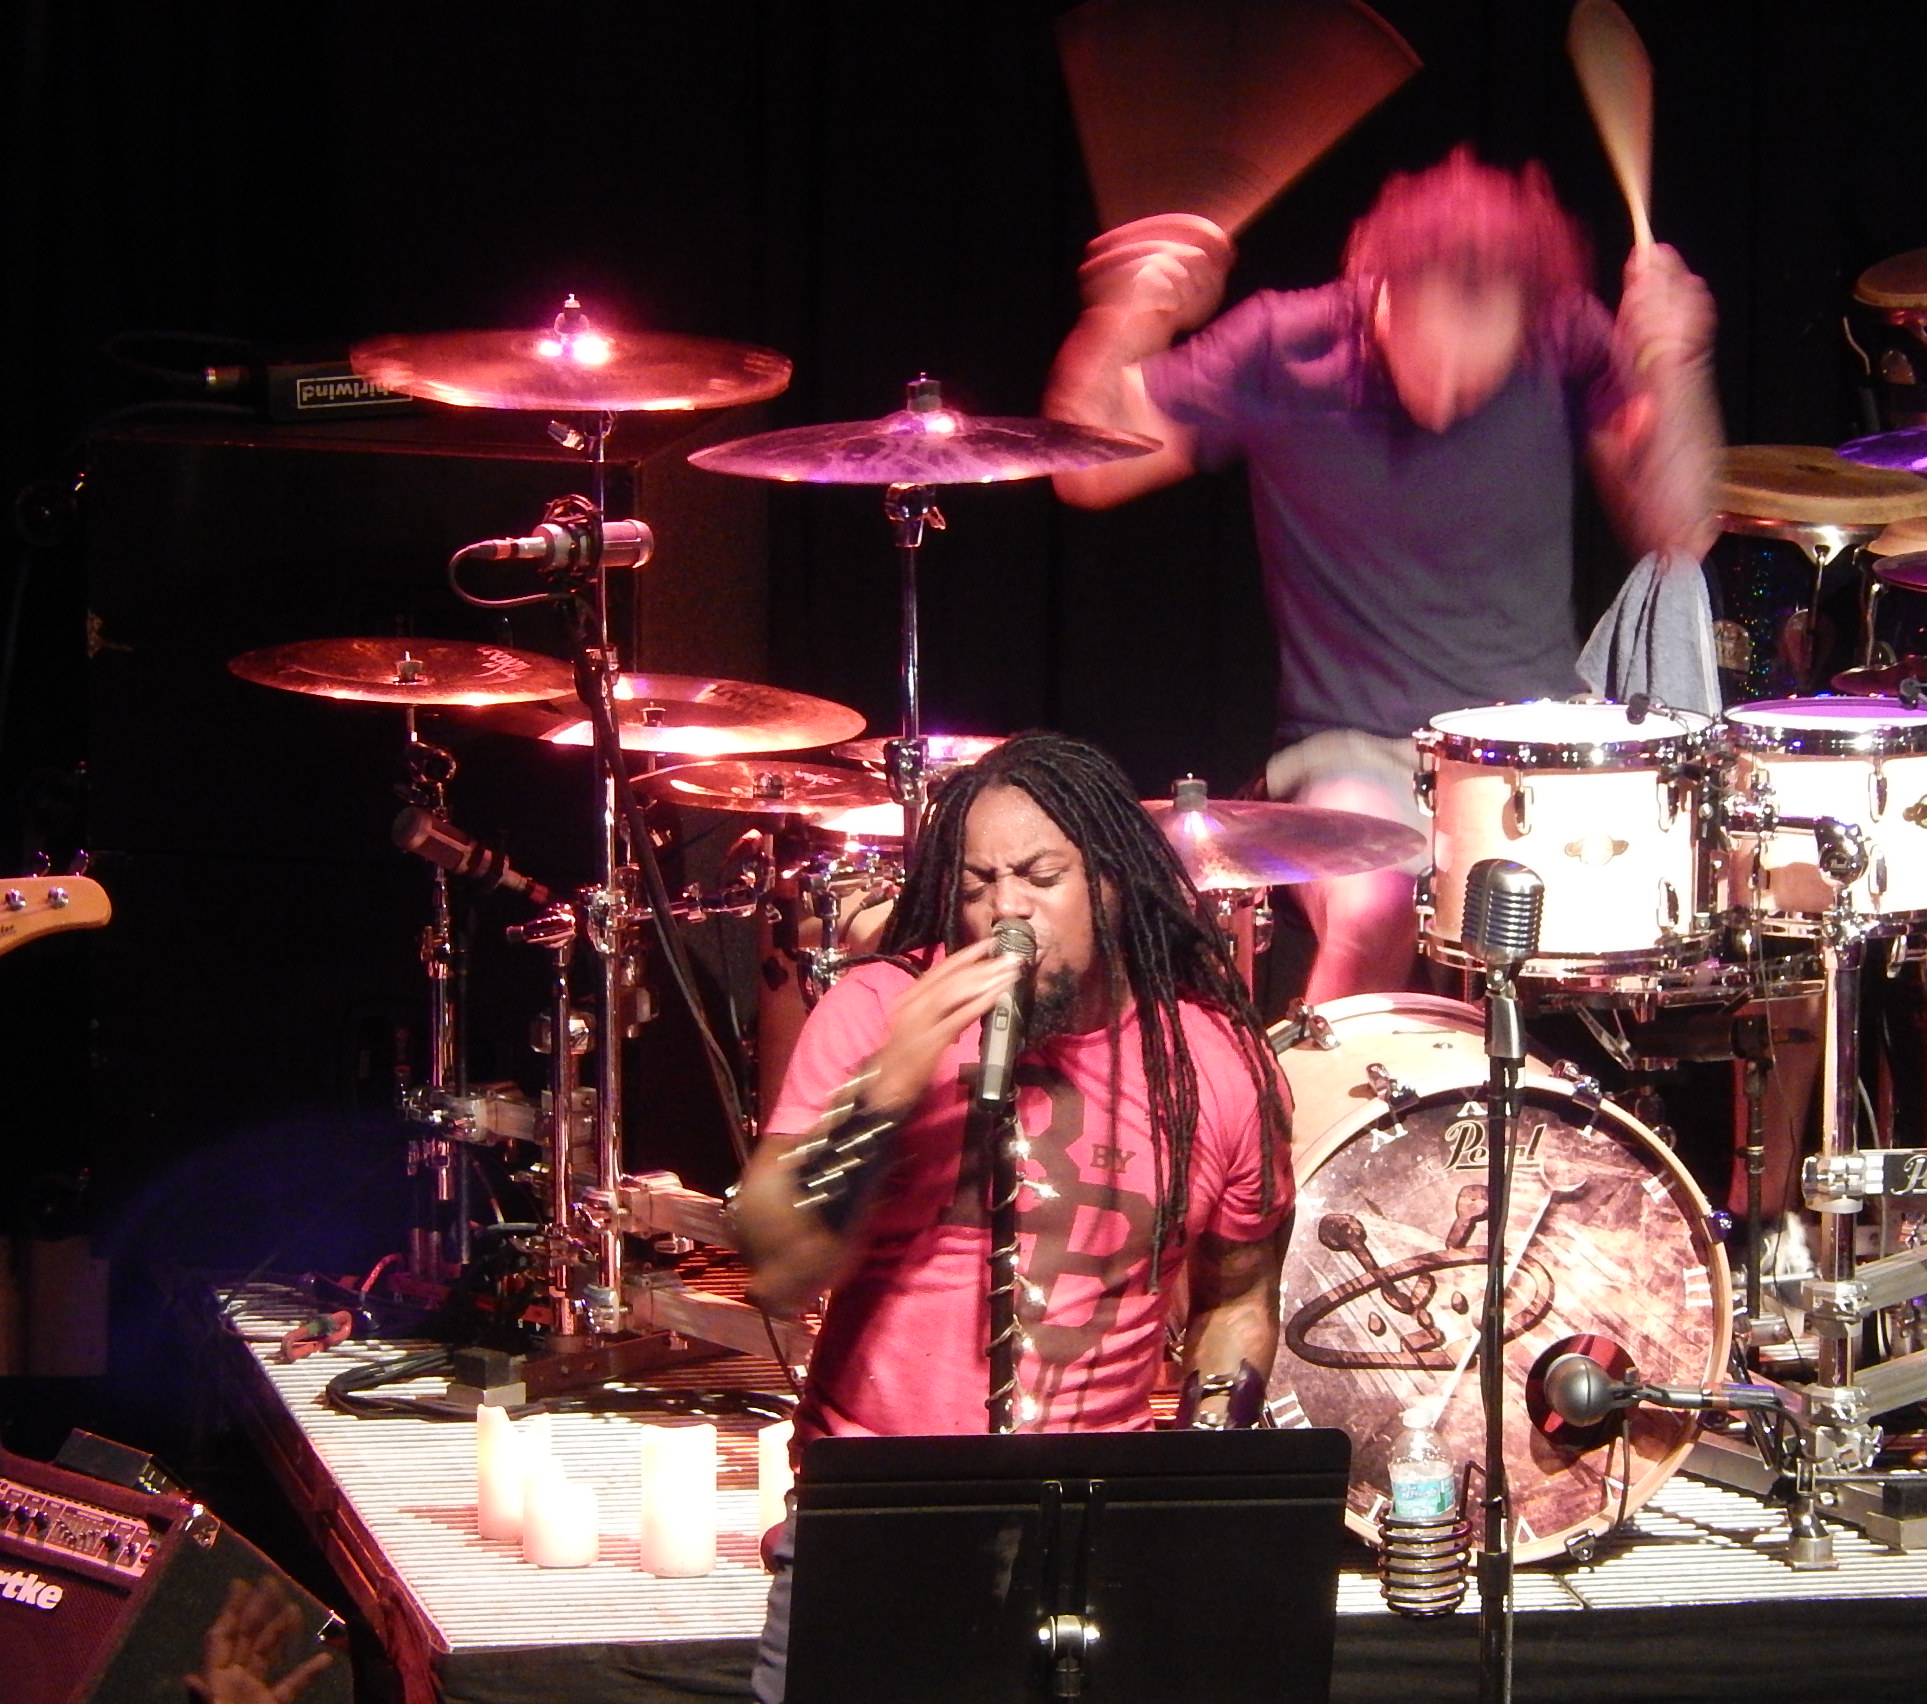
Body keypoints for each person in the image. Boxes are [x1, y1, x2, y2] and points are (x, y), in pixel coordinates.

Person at [1045, 147, 1724, 1003]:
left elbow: (1679, 530)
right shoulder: (1286, 342)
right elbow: (1086, 472)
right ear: (1380, 290)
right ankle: (1321, 1091)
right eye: (1432, 349)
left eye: (1481, 362)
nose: (1449, 387)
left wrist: (1674, 363)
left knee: (1724, 911)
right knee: (1376, 905)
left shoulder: (1564, 337)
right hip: (1349, 749)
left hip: (1534, 751)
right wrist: (1132, 314)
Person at [729, 730, 1293, 1701]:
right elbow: (778, 1269)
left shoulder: (1215, 1063)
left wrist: (1199, 1497)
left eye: (1040, 877)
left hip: (1095, 1532)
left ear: (1111, 883)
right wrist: (889, 1086)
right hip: (876, 1529)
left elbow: (1237, 1297)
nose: (1006, 910)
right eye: (979, 884)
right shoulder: (876, 1009)